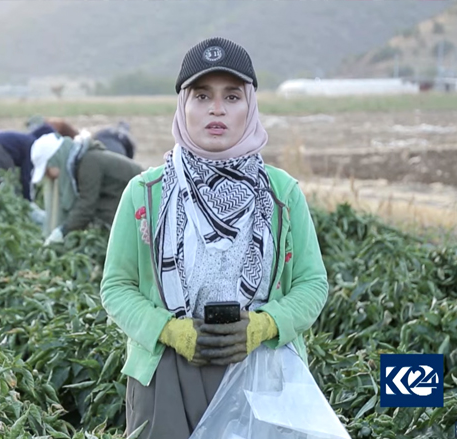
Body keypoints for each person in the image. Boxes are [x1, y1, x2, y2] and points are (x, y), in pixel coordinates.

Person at [99, 37, 328, 438]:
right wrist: (168, 330)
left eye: (232, 96)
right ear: (182, 106)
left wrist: (264, 325)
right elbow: (116, 287)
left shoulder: (282, 194)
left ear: (251, 106)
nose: (217, 109)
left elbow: (312, 284)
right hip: (166, 375)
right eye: (202, 96)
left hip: (262, 370)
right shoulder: (145, 193)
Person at [31, 131, 144, 245]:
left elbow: (87, 205)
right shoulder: (80, 162)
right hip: (126, 196)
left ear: (56, 159)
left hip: (141, 194)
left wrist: (63, 230)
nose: (48, 176)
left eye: (47, 170)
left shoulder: (88, 163)